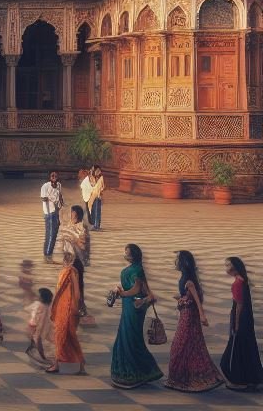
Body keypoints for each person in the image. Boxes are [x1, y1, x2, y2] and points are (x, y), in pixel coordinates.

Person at [164, 250, 222, 392]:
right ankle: (185, 376)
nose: (175, 262)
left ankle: (183, 378)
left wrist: (202, 316)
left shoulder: (188, 280)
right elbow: (189, 295)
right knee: (190, 344)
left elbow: (197, 300)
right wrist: (181, 297)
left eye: (177, 259)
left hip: (189, 316)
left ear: (183, 263)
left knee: (181, 344)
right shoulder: (186, 277)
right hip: (187, 314)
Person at [109, 243, 163, 388]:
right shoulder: (136, 268)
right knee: (128, 336)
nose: (125, 255)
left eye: (127, 253)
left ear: (133, 255)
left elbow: (136, 289)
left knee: (130, 337)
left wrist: (121, 293)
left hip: (134, 306)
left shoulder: (137, 269)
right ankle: (142, 371)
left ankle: (133, 374)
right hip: (131, 305)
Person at [220, 256, 263, 390]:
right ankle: (251, 378)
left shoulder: (237, 283)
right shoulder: (242, 281)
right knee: (246, 347)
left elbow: (239, 305)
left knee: (232, 353)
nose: (226, 268)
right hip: (247, 321)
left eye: (228, 265)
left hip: (240, 320)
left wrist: (236, 324)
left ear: (234, 267)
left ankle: (238, 381)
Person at [47, 250, 86, 374]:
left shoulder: (71, 271)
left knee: (63, 335)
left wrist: (74, 307)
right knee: (65, 336)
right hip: (63, 307)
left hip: (68, 308)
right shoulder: (68, 270)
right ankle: (78, 363)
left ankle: (58, 364)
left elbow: (77, 292)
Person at [40, 170, 64, 263]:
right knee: (50, 235)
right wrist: (53, 200)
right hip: (49, 213)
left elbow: (60, 196)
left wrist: (61, 204)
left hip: (56, 212)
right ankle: (47, 256)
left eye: (55, 175)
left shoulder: (59, 185)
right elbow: (43, 198)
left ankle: (48, 256)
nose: (54, 176)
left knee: (53, 235)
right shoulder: (45, 186)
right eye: (52, 175)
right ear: (49, 177)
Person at [25, 287, 54, 364]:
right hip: (38, 326)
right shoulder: (44, 305)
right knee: (38, 340)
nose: (37, 297)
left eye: (38, 295)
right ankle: (42, 357)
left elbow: (34, 314)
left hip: (38, 326)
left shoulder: (40, 305)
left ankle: (31, 350)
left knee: (35, 339)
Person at [87, 165, 105, 230]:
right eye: (97, 170)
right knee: (92, 210)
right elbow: (90, 185)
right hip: (92, 197)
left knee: (98, 211)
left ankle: (97, 225)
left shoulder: (101, 178)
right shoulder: (91, 177)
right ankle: (94, 225)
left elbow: (103, 187)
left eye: (99, 171)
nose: (98, 172)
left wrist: (100, 191)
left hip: (98, 196)